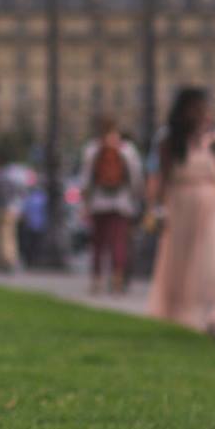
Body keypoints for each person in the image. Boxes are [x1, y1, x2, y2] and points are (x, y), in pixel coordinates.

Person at [145, 87, 215, 340]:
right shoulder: (169, 141)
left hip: (212, 207)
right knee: (181, 266)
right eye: (199, 109)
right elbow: (160, 177)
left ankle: (214, 315)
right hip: (180, 207)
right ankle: (181, 317)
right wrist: (156, 208)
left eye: (208, 110)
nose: (206, 115)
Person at [80, 113, 144, 295]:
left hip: (98, 203)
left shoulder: (92, 149)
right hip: (121, 202)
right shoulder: (127, 149)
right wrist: (135, 198)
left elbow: (86, 179)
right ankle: (117, 277)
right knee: (119, 242)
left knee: (98, 243)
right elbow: (136, 177)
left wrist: (85, 203)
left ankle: (97, 279)